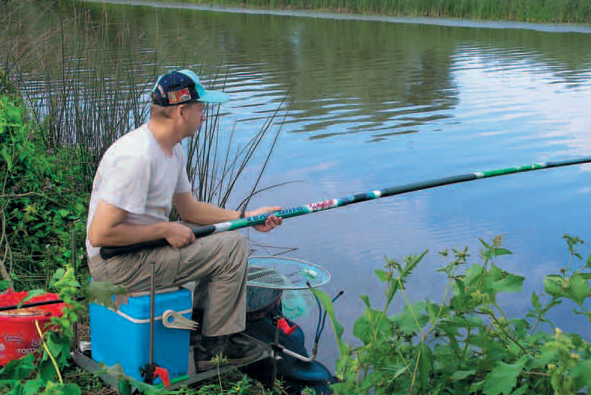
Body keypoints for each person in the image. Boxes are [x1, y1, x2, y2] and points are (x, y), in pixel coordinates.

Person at [85, 69, 282, 371]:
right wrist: (165, 228)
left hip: (140, 251)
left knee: (226, 237)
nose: (204, 115)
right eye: (201, 107)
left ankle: (201, 330)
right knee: (231, 249)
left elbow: (189, 210)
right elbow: (101, 234)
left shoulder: (172, 150)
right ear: (181, 111)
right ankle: (214, 346)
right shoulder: (137, 158)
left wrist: (246, 218)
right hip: (116, 265)